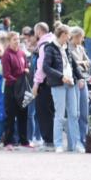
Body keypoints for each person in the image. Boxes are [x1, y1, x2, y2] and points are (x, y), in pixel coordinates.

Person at [45, 25, 82, 152]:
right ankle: (58, 144)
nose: (69, 37)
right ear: (62, 34)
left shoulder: (67, 48)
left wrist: (80, 78)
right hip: (59, 84)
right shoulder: (50, 48)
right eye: (68, 35)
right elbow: (46, 67)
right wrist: (61, 77)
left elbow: (74, 65)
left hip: (71, 83)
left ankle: (75, 143)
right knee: (59, 115)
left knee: (74, 114)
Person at [0, 31, 30, 149]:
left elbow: (26, 66)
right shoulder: (6, 55)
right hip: (11, 88)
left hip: (22, 87)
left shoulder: (22, 53)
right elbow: (6, 74)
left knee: (23, 114)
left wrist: (26, 70)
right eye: (14, 39)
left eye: (18, 39)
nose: (17, 41)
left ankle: (24, 141)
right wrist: (17, 80)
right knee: (11, 116)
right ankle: (8, 142)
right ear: (9, 41)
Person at [31, 22, 56, 150]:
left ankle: (48, 141)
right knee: (52, 111)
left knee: (43, 112)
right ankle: (54, 139)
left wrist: (36, 84)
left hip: (44, 83)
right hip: (55, 82)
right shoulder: (54, 41)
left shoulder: (43, 44)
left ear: (39, 31)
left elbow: (41, 67)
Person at [69, 26, 91, 145]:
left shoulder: (81, 48)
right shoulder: (68, 48)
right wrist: (81, 63)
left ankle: (83, 138)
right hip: (73, 81)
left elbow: (89, 62)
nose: (82, 40)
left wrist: (80, 63)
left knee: (84, 111)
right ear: (76, 36)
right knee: (75, 112)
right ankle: (75, 139)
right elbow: (70, 64)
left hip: (84, 79)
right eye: (81, 37)